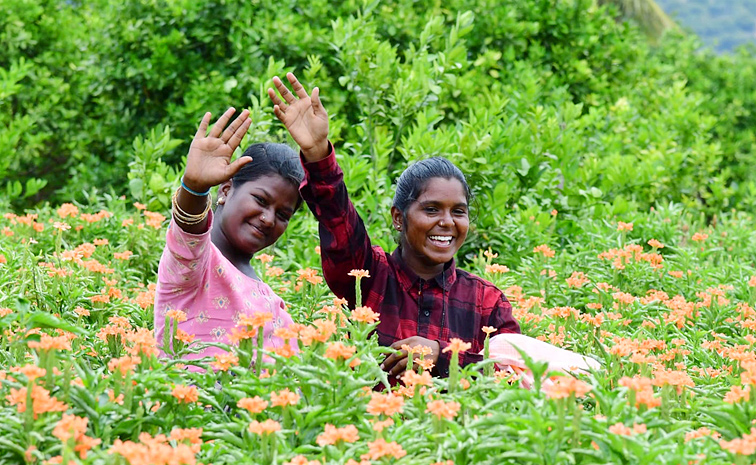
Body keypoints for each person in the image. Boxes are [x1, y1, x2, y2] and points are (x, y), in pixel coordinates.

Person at [268, 73, 520, 379]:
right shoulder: (369, 275)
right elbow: (338, 219)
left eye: (458, 211)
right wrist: (318, 153)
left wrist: (441, 355)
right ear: (398, 218)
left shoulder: (487, 302)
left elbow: (516, 375)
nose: (447, 222)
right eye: (431, 209)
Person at [154, 108, 303, 364]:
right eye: (260, 200)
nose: (268, 218)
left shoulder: (269, 298)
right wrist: (195, 189)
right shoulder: (196, 265)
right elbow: (189, 231)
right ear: (225, 189)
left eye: (283, 214)